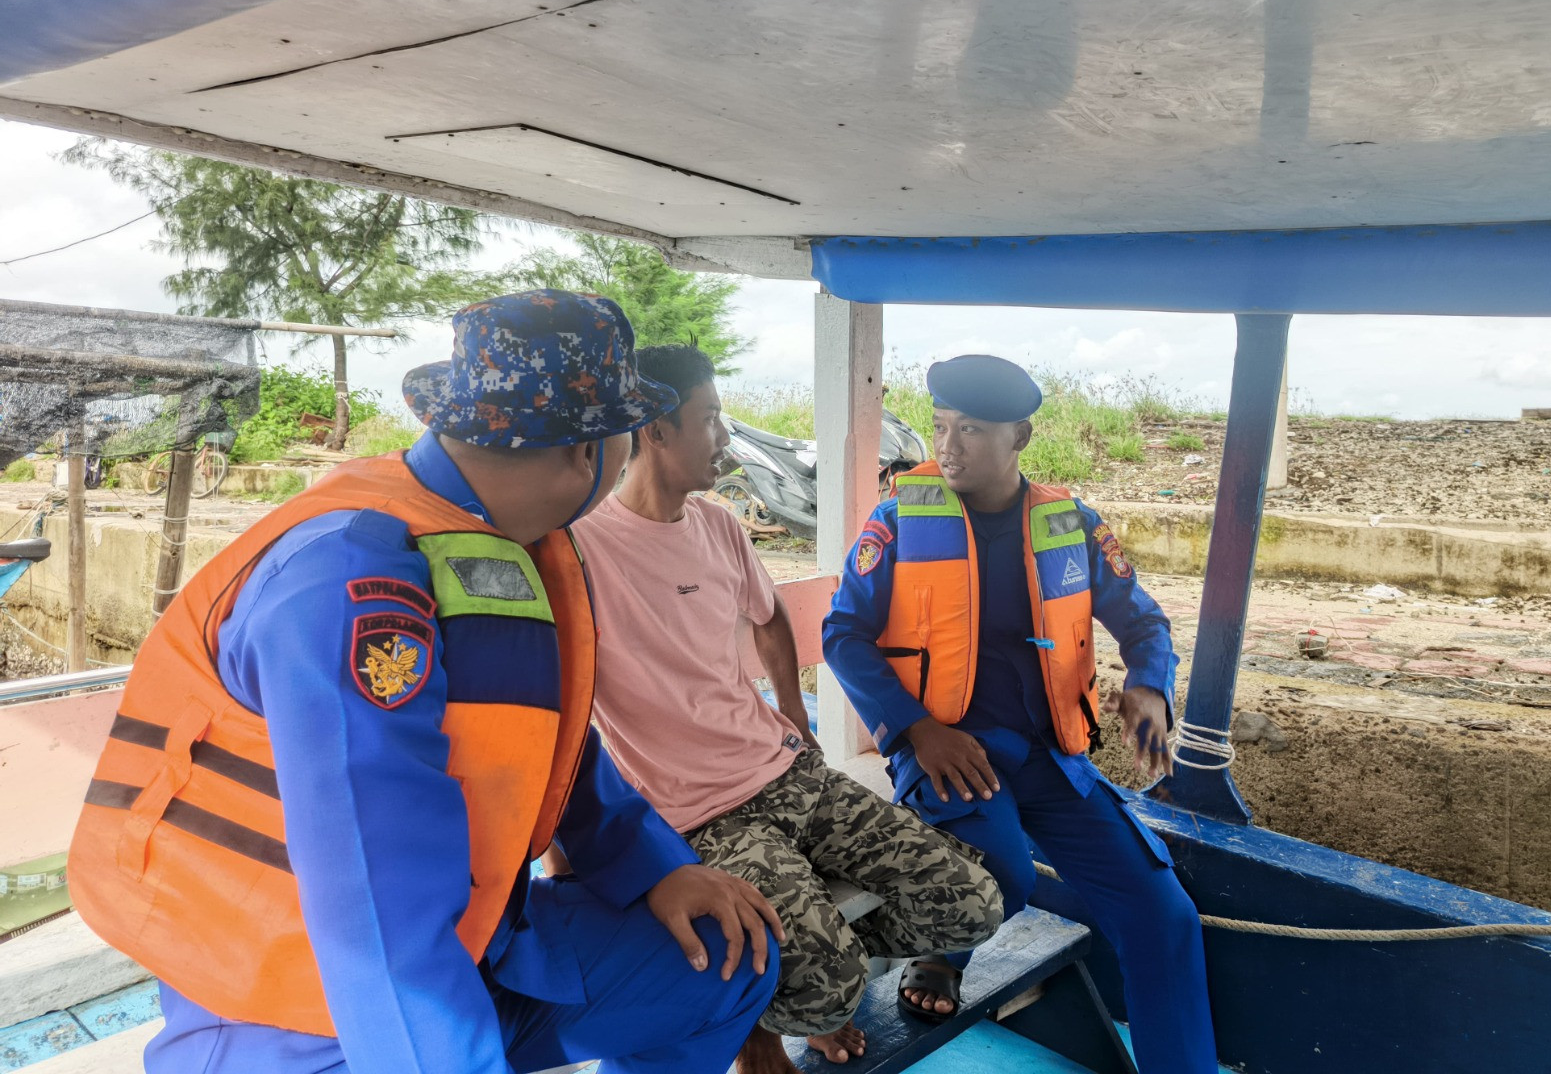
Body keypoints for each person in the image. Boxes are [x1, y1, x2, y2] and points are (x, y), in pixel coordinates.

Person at [67, 292, 784, 1074]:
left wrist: (657, 868)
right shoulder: (355, 578)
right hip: (303, 1008)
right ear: (590, 453)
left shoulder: (503, 544)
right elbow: (372, 906)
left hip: (476, 946)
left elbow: (544, 746)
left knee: (725, 953)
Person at [570, 345, 1002, 1074]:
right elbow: (560, 704)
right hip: (701, 815)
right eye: (709, 420)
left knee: (971, 904)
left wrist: (795, 717)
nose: (725, 438)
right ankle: (760, 1019)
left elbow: (770, 617)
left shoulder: (718, 526)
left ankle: (781, 981)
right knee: (828, 991)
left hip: (786, 773)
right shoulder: (582, 549)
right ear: (656, 432)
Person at [821, 355, 1218, 1074]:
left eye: (970, 430)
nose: (948, 446)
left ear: (1021, 437)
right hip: (947, 752)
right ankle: (937, 954)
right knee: (1003, 874)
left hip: (1048, 760)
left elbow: (1144, 623)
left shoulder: (1069, 526)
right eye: (942, 426)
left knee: (1165, 919)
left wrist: (1151, 686)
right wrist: (916, 729)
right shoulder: (900, 523)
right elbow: (842, 635)